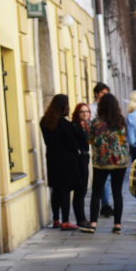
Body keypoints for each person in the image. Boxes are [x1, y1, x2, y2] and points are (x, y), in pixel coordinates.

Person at [38, 93, 86, 231]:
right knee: (65, 190)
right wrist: (77, 150)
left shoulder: (44, 122)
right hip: (67, 160)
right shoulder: (65, 124)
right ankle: (66, 221)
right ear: (63, 106)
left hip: (52, 158)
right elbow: (71, 143)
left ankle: (56, 219)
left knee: (56, 190)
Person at [87, 93, 129, 233]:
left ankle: (93, 223)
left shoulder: (96, 122)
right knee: (117, 193)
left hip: (101, 161)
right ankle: (117, 225)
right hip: (119, 161)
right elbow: (123, 139)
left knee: (96, 193)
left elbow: (91, 140)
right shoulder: (121, 121)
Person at [93, 82, 115, 217]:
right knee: (104, 182)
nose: (104, 96)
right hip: (100, 152)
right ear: (96, 94)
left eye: (106, 93)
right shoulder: (91, 108)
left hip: (112, 152)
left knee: (112, 182)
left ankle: (106, 206)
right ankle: (106, 204)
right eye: (102, 93)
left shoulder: (112, 112)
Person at [71, 101, 92, 228]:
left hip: (85, 157)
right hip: (79, 160)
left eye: (87, 111)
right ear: (77, 113)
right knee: (80, 190)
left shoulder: (85, 125)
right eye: (82, 111)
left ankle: (82, 218)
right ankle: (81, 219)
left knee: (83, 190)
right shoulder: (75, 126)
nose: (85, 114)